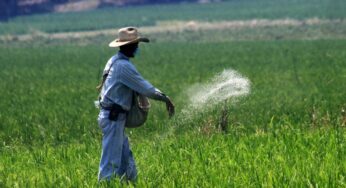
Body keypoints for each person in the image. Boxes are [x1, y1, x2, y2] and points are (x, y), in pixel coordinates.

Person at [96, 27, 175, 182]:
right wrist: (166, 99)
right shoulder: (123, 66)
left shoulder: (114, 61)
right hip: (113, 118)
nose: (137, 47)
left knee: (126, 162)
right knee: (110, 164)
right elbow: (146, 89)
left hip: (114, 118)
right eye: (135, 44)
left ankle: (131, 183)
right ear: (128, 46)